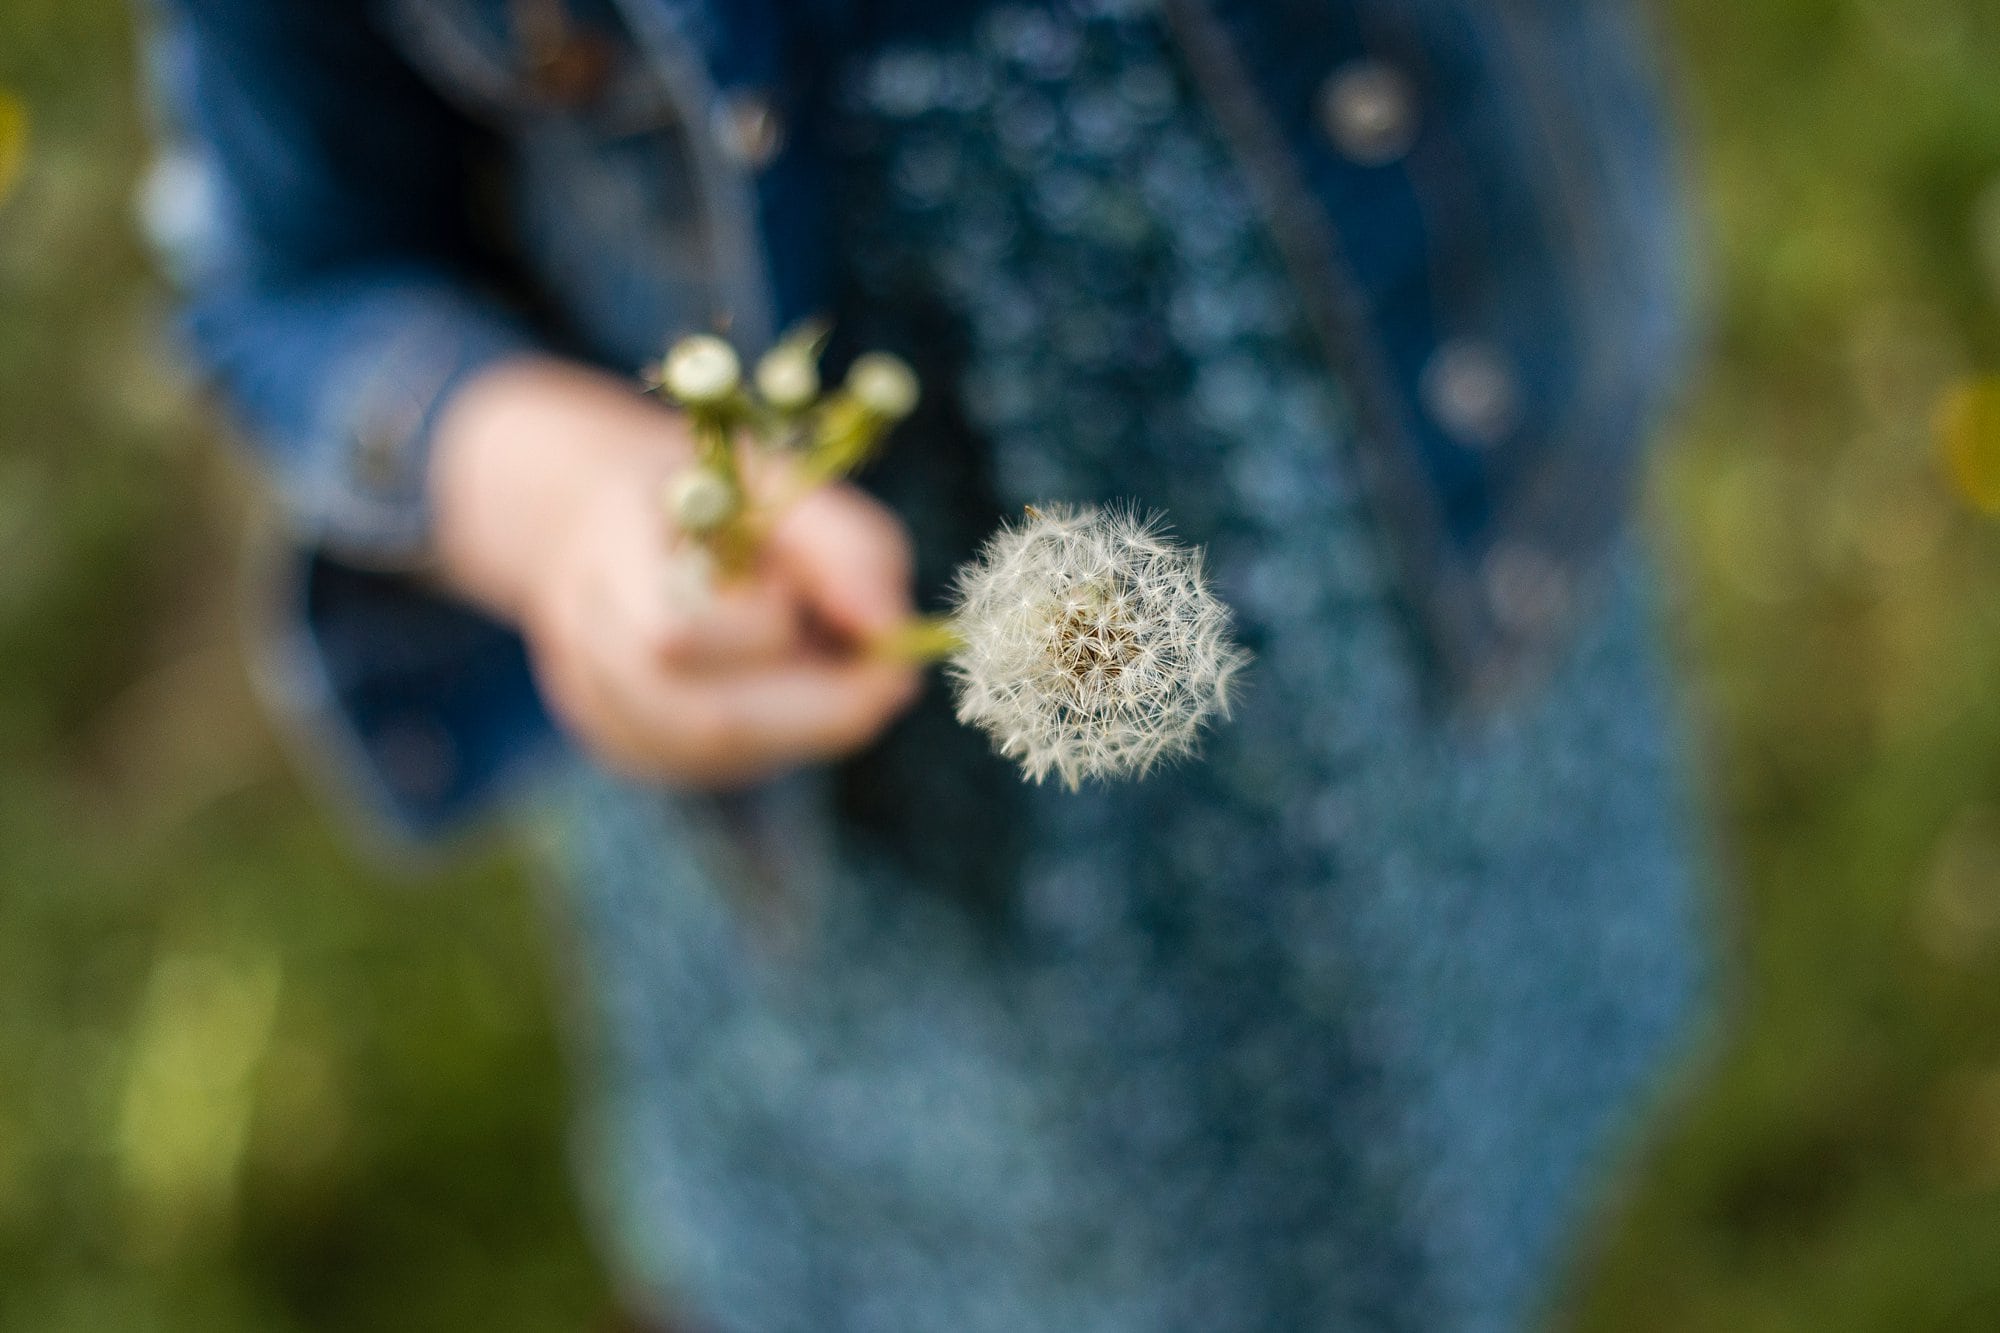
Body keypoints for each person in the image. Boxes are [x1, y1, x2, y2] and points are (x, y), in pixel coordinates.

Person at [144, 0, 1713, 1328]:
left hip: (1434, 555)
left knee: (1453, 1106)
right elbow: (291, 278)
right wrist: (558, 500)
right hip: (875, 797)